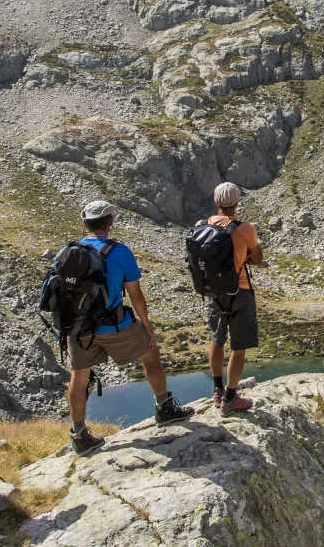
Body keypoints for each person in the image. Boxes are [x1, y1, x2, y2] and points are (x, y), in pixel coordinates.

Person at [67, 200, 190, 455]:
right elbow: (136, 296)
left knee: (79, 377)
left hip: (79, 328)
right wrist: (147, 328)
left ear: (84, 223)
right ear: (110, 223)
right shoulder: (120, 252)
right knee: (150, 354)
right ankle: (164, 408)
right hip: (115, 326)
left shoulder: (69, 252)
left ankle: (79, 435)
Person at [195, 182, 262, 414]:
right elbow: (257, 258)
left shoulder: (200, 226)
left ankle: (216, 389)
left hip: (213, 291)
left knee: (217, 339)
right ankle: (231, 397)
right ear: (237, 202)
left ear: (216, 201)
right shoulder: (245, 229)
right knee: (239, 345)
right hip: (239, 290)